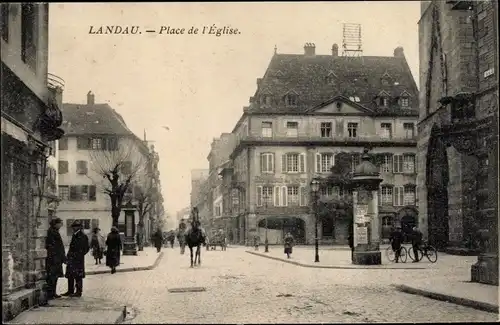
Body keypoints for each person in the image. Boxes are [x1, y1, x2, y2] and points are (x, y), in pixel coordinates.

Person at [62, 220, 90, 298]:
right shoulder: (74, 235)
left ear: (79, 227)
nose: (74, 228)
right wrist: (68, 257)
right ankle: (70, 290)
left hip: (78, 259)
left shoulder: (83, 236)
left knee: (78, 276)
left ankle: (78, 291)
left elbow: (86, 248)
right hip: (71, 258)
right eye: (73, 227)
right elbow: (71, 248)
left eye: (76, 226)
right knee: (70, 275)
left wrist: (80, 255)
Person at [45, 217, 66, 300]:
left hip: (56, 258)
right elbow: (54, 246)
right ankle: (51, 293)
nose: (61, 225)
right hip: (54, 258)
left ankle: (53, 292)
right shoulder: (52, 232)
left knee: (55, 276)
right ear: (56, 224)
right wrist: (59, 256)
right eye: (60, 223)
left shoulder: (54, 231)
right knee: (52, 276)